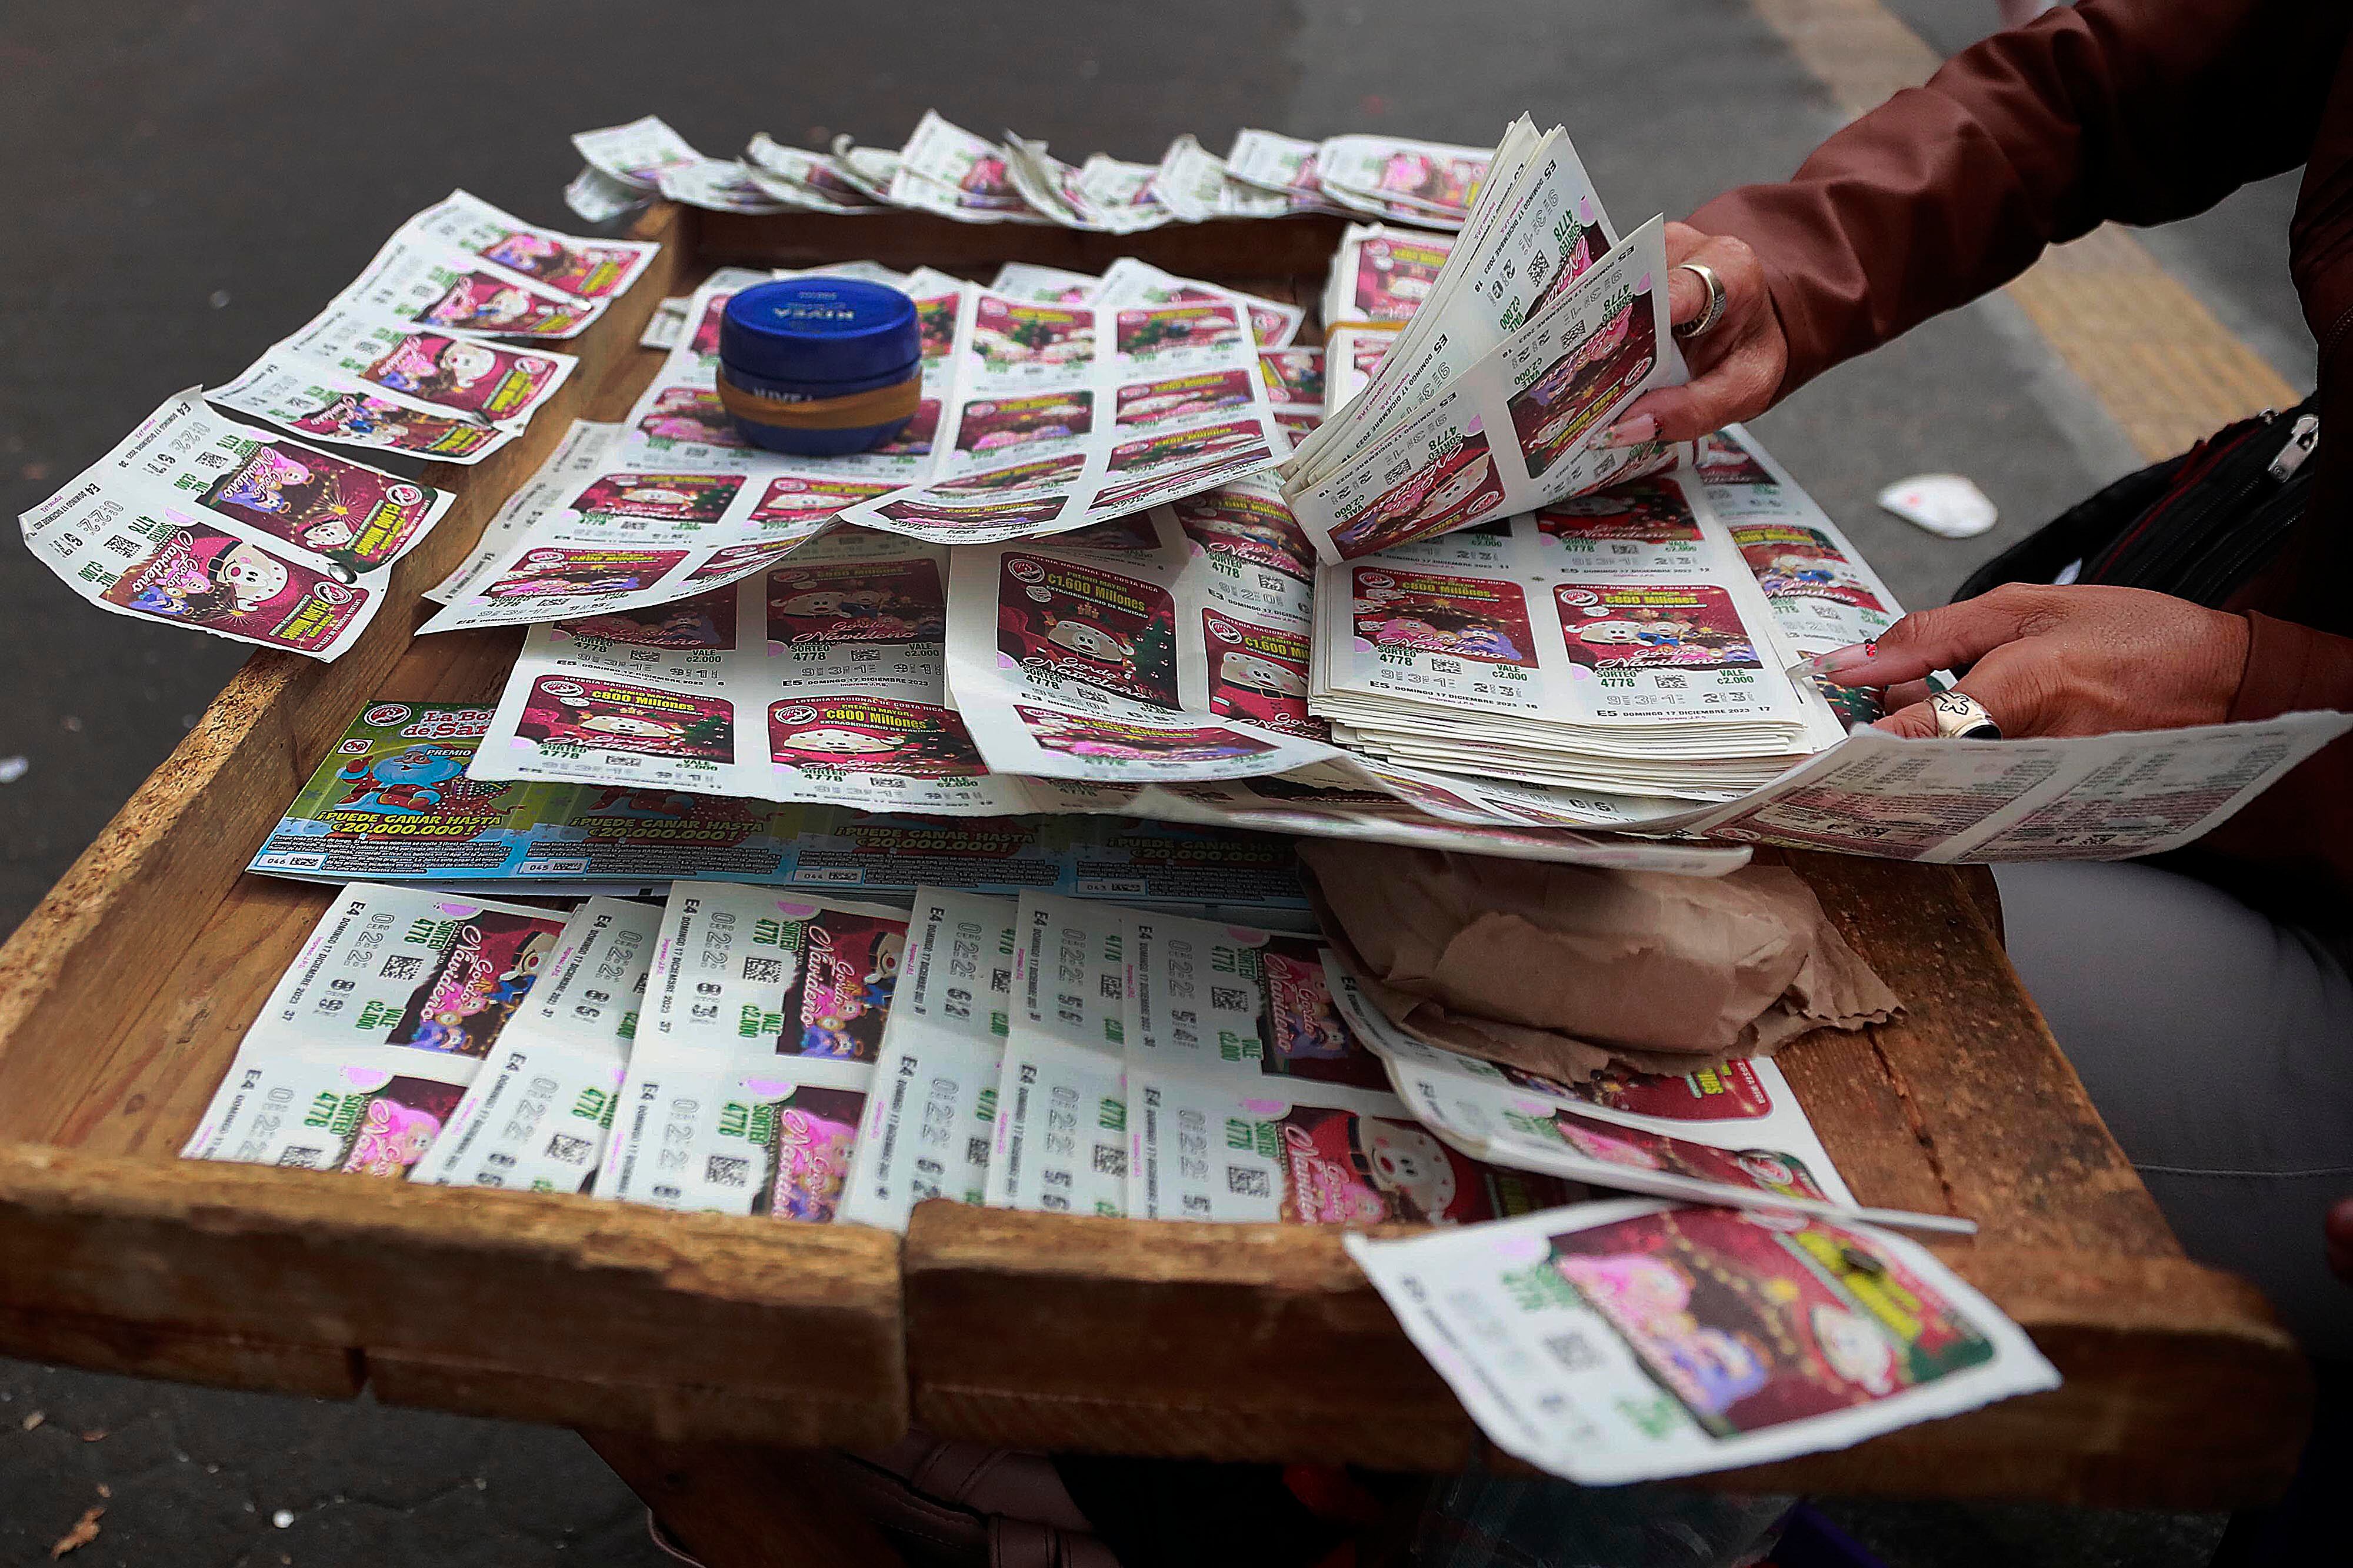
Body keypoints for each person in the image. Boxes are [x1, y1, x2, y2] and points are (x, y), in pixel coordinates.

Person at [1598, 0, 2353, 1359]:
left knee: (1725, 937)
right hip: (2257, 641)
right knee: (1692, 819)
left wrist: (2252, 689)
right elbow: (2094, 81)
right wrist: (1775, 264)